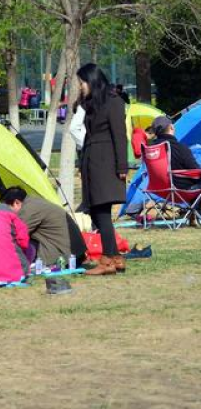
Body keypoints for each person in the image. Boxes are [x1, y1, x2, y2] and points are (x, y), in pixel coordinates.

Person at [78, 63, 128, 275]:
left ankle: (107, 260)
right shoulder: (93, 102)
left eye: (82, 83)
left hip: (105, 161)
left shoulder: (113, 102)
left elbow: (119, 135)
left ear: (92, 81)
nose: (80, 87)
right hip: (92, 159)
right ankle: (115, 257)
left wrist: (121, 165)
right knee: (96, 210)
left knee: (101, 211)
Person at [1, 187, 87, 267]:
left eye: (7, 208)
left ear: (16, 202)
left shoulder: (28, 210)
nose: (7, 213)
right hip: (74, 252)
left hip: (66, 256)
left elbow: (14, 235)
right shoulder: (33, 201)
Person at [151, 116, 201, 190]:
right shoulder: (179, 148)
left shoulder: (152, 148)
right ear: (171, 127)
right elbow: (196, 171)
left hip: (160, 189)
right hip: (184, 189)